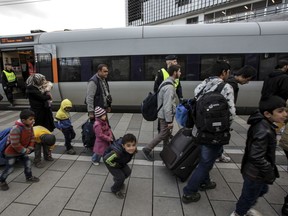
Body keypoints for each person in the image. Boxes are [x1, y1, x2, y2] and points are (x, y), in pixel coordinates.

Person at [182, 60, 235, 203]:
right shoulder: (226, 87)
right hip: (215, 133)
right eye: (228, 72)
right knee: (206, 162)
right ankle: (189, 191)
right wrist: (223, 129)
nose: (229, 75)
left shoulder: (201, 85)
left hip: (199, 129)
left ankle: (205, 181)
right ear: (223, 72)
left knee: (206, 157)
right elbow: (231, 113)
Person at [230, 96, 287, 216]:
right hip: (255, 173)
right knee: (250, 195)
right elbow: (256, 156)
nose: (285, 114)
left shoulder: (263, 124)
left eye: (285, 110)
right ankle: (239, 213)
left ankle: (244, 208)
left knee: (259, 190)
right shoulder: (264, 130)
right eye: (280, 111)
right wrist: (269, 171)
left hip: (253, 170)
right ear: (267, 114)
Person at [216, 65, 257, 163]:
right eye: (248, 79)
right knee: (221, 136)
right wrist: (230, 118)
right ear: (243, 76)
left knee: (219, 136)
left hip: (220, 114)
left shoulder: (229, 80)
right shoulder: (232, 85)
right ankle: (218, 155)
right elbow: (229, 103)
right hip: (224, 115)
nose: (247, 82)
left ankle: (219, 154)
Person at [142, 64, 181, 161]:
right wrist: (169, 121)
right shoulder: (169, 87)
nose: (180, 73)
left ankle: (165, 152)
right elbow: (167, 106)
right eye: (179, 71)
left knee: (166, 134)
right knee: (163, 134)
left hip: (163, 114)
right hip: (165, 115)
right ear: (175, 73)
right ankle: (147, 149)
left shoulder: (166, 82)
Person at [0, 109, 40, 191]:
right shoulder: (16, 129)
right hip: (11, 153)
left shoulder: (30, 127)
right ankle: (1, 181)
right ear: (23, 120)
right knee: (10, 169)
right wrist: (24, 150)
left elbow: (32, 138)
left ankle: (29, 177)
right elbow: (15, 144)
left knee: (28, 164)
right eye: (31, 119)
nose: (33, 121)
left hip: (22, 151)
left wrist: (30, 148)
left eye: (33, 119)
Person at [103, 133, 137, 199]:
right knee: (120, 177)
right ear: (123, 146)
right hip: (111, 163)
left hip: (120, 161)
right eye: (128, 146)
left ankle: (117, 180)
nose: (131, 148)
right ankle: (114, 189)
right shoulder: (117, 152)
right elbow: (106, 160)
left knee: (128, 172)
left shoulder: (131, 150)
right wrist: (115, 165)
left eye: (133, 145)